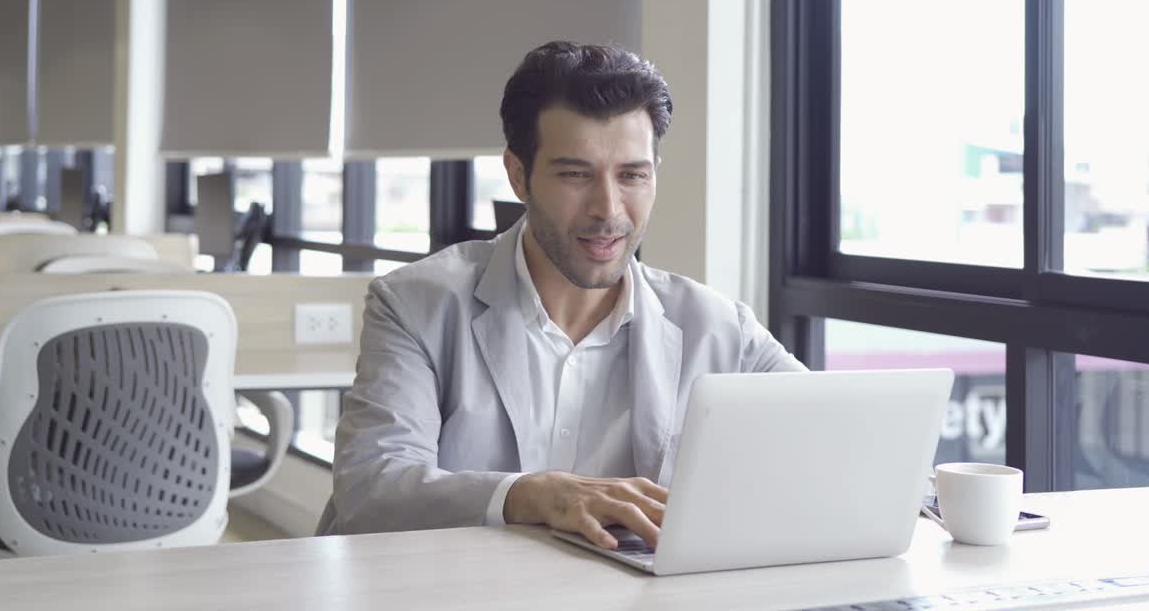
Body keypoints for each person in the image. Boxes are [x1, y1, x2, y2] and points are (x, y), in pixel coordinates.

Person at [317, 41, 807, 548]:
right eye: (576, 175)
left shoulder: (721, 327)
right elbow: (371, 489)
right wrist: (534, 496)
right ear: (517, 175)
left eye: (632, 175)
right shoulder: (415, 303)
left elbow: (833, 440)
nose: (608, 208)